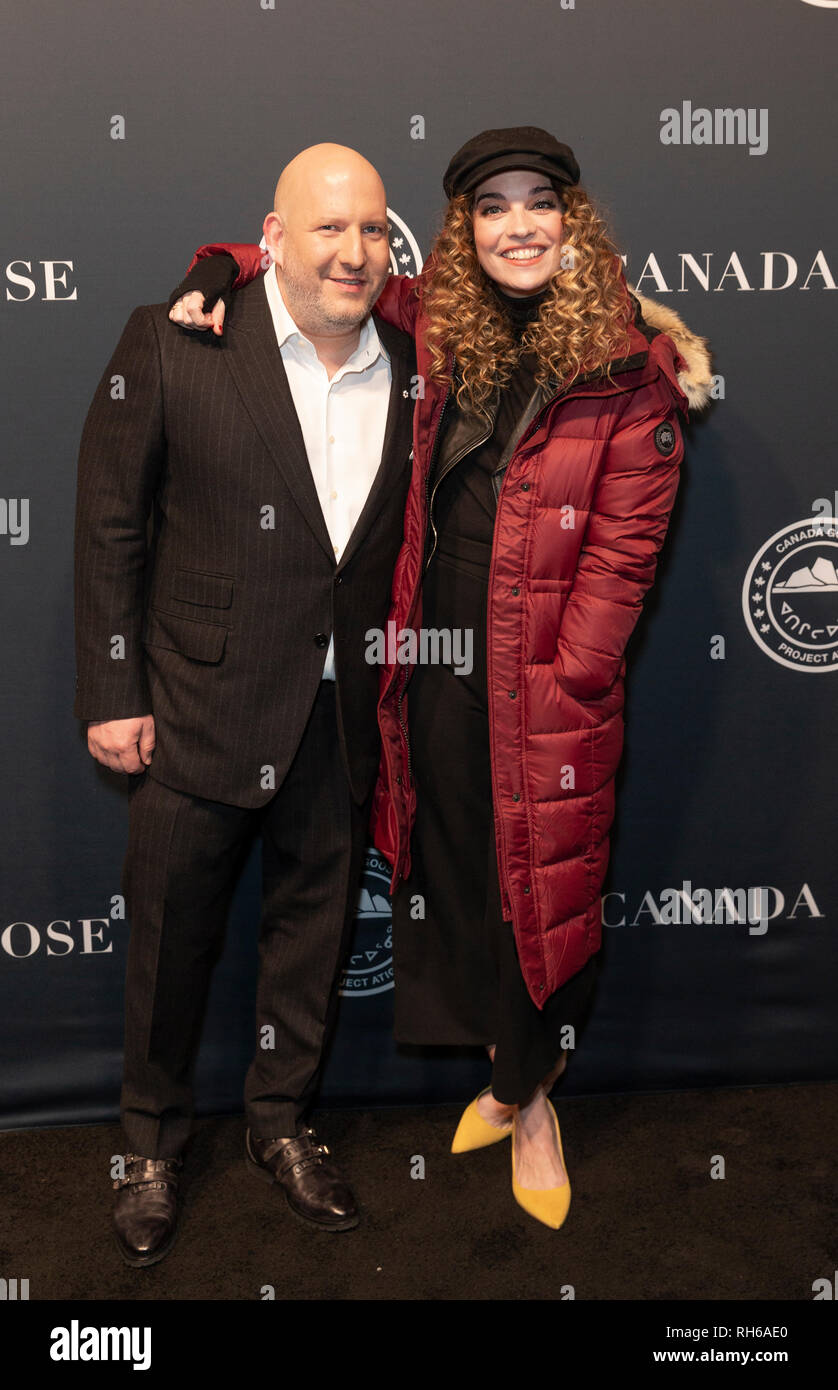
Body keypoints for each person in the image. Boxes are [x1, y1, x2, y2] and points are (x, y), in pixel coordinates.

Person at [168, 126, 713, 1230]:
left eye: (539, 202)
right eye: (492, 206)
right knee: (459, 872)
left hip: (546, 678)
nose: (519, 225)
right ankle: (507, 1078)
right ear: (464, 226)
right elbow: (305, 264)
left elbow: (622, 555)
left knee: (540, 895)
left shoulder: (626, 365)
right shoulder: (437, 315)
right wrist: (210, 271)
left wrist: (575, 675)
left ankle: (529, 1097)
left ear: (572, 217)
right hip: (429, 660)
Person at [74, 144, 417, 1266]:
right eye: (328, 228)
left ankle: (280, 1122)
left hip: (337, 713)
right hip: (194, 703)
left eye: (371, 229)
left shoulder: (412, 365)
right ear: (271, 236)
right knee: (170, 944)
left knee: (311, 937)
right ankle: (150, 1144)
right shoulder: (177, 338)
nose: (353, 250)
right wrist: (115, 688)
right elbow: (112, 523)